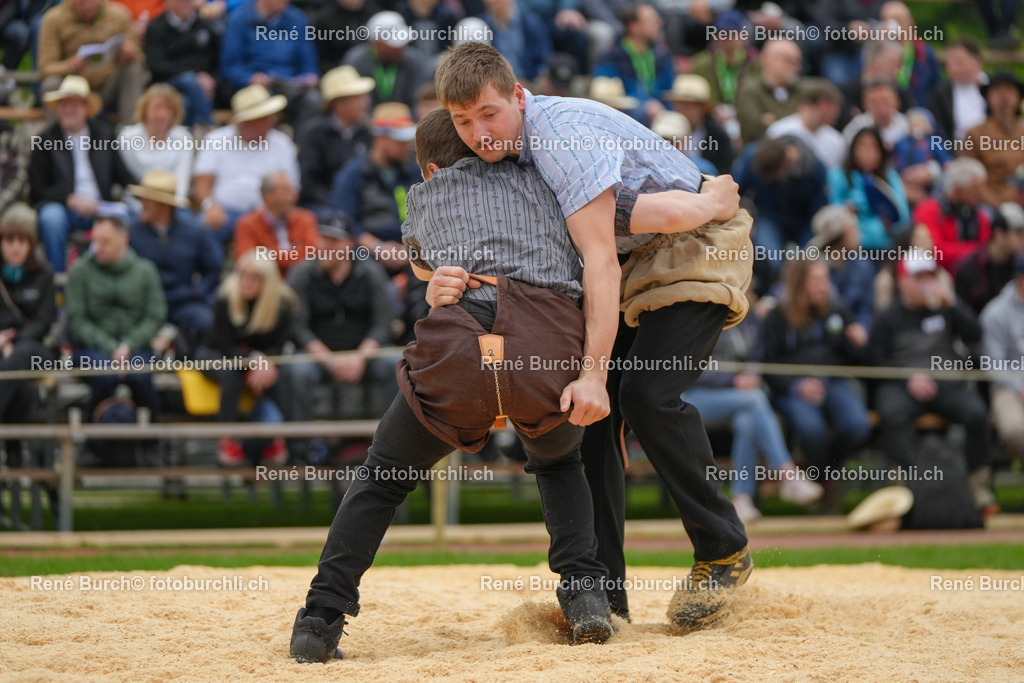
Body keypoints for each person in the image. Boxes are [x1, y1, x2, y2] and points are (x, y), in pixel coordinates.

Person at [428, 42, 752, 629]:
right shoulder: (505, 160)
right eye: (463, 121)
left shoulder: (560, 140)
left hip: (691, 246)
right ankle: (600, 591)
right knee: (587, 416)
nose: (478, 132)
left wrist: (593, 371)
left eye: (489, 113)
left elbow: (613, 252)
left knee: (642, 396)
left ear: (519, 96)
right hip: (637, 248)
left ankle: (722, 551)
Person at [291, 107, 621, 662]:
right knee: (560, 464)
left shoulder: (423, 197)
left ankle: (320, 619)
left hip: (459, 348)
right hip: (543, 346)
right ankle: (586, 596)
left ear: (431, 169)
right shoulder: (549, 178)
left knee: (382, 477)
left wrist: (436, 276)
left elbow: (424, 258)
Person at [869, 251, 996, 515]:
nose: (926, 283)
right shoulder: (889, 317)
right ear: (903, 282)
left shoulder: (947, 308)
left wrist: (954, 305)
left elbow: (976, 333)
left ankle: (978, 486)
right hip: (902, 385)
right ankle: (903, 489)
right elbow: (875, 361)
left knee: (976, 413)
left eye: (930, 276)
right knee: (891, 415)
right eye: (919, 277)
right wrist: (907, 377)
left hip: (945, 383)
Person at [683, 287, 823, 524]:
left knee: (747, 421)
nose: (746, 290)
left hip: (737, 400)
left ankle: (742, 499)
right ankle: (787, 474)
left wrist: (752, 374)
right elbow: (692, 367)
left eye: (748, 286)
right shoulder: (702, 316)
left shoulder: (752, 321)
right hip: (695, 396)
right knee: (755, 399)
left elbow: (758, 359)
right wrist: (734, 380)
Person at [759, 258, 872, 492]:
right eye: (817, 280)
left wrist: (856, 343)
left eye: (826, 279)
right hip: (792, 387)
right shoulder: (778, 315)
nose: (824, 286)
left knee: (857, 425)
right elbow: (766, 365)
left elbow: (853, 359)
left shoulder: (837, 309)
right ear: (800, 283)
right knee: (812, 431)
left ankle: (824, 475)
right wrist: (795, 386)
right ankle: (824, 485)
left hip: (832, 380)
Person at [286, 215, 398, 434]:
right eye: (323, 239)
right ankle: (299, 452)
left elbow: (383, 323)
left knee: (398, 365)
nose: (326, 246)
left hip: (365, 355)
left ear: (349, 244)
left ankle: (391, 443)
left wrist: (360, 357)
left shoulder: (371, 273)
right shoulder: (301, 274)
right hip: (318, 357)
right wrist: (329, 360)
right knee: (296, 372)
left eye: (333, 241)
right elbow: (297, 327)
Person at [201, 250, 300, 466]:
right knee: (232, 373)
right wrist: (254, 360)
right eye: (243, 275)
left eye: (254, 277)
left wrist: (265, 363)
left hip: (264, 362)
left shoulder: (283, 304)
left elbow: (279, 345)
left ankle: (281, 441)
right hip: (218, 355)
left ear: (268, 282)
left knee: (281, 374)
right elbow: (225, 345)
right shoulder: (225, 298)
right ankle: (226, 440)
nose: (246, 282)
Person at [28, 75, 136, 272]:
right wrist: (69, 199)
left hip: (100, 207)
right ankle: (57, 282)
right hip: (63, 207)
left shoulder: (104, 134)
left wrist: (144, 196)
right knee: (51, 219)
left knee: (133, 217)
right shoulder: (45, 139)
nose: (68, 109)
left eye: (74, 104)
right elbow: (38, 188)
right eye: (64, 104)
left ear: (86, 108)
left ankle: (120, 278)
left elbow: (124, 176)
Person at [65, 214, 165, 422]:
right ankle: (91, 438)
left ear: (123, 240)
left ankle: (152, 440)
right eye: (95, 241)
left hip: (136, 346)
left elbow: (155, 316)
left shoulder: (145, 271)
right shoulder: (80, 271)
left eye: (105, 242)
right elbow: (76, 319)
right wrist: (112, 347)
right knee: (105, 375)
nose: (98, 247)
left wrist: (128, 345)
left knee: (140, 376)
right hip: (92, 347)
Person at [192, 84, 300, 243]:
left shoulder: (282, 144)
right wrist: (209, 206)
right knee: (201, 229)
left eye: (270, 116)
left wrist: (273, 212)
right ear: (246, 121)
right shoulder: (216, 140)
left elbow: (292, 188)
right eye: (264, 117)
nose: (272, 121)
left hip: (269, 214)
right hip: (224, 213)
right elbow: (202, 183)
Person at [128, 169, 221, 351]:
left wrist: (197, 292)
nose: (142, 204)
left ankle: (196, 369)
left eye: (148, 200)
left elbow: (213, 268)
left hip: (183, 301)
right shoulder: (132, 233)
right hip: (143, 306)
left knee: (206, 322)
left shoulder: (193, 232)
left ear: (164, 205)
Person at [329, 101, 420, 273]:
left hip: (412, 251)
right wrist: (378, 248)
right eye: (399, 140)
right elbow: (344, 220)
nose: (406, 146)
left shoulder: (415, 172)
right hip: (368, 255)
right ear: (380, 138)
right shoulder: (353, 174)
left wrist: (410, 249)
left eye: (408, 140)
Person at [37, 0, 148, 125]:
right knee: (50, 84)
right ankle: (56, 139)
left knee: (132, 69)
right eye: (82, 3)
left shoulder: (119, 14)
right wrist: (71, 66)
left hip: (108, 87)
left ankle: (133, 133)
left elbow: (139, 57)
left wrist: (129, 53)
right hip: (72, 90)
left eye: (91, 2)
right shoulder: (53, 19)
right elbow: (45, 68)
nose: (87, 6)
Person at [0, 204, 57, 436]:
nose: (15, 247)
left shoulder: (44, 275)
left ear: (31, 245)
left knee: (20, 357)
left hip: (36, 349)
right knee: (21, 386)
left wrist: (13, 339)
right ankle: (15, 453)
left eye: (21, 241)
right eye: (9, 240)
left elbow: (44, 321)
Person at [219, 0, 321, 126]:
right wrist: (250, 78)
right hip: (254, 86)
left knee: (312, 99)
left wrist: (310, 75)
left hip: (290, 85)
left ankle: (300, 144)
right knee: (259, 100)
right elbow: (230, 65)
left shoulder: (297, 18)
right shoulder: (239, 19)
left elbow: (308, 59)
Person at [297, 66, 375, 218]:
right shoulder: (314, 134)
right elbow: (308, 183)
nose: (366, 103)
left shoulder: (367, 133)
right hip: (324, 206)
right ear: (339, 103)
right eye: (359, 98)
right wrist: (339, 204)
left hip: (361, 205)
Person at [827, 126, 910, 251]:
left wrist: (889, 224)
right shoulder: (839, 175)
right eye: (862, 146)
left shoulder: (890, 177)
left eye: (873, 146)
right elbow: (834, 213)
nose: (867, 151)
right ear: (853, 149)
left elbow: (903, 217)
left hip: (887, 247)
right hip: (852, 249)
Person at [592, 2, 674, 126]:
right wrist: (644, 105)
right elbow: (607, 97)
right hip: (625, 120)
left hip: (661, 115)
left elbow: (670, 90)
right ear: (633, 26)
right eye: (651, 20)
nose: (659, 23)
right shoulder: (611, 57)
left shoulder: (661, 54)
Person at [142, 0, 219, 128]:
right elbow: (156, 65)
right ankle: (207, 127)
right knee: (188, 80)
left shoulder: (205, 26)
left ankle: (187, 140)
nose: (186, 3)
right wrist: (195, 76)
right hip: (167, 82)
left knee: (186, 103)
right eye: (181, 1)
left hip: (201, 84)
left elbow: (215, 59)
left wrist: (211, 79)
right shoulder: (156, 27)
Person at [118, 84, 194, 206]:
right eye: (157, 108)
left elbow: (182, 180)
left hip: (171, 206)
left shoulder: (184, 137)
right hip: (135, 204)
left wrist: (174, 208)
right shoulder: (127, 137)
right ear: (145, 109)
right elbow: (127, 181)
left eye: (168, 109)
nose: (162, 114)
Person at [980, 252, 1024, 464]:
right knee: (1015, 431)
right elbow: (994, 364)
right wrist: (1019, 387)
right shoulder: (995, 313)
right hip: (1007, 386)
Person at [911, 157, 991, 272]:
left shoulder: (981, 216)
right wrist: (973, 251)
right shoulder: (928, 210)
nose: (982, 194)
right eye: (976, 189)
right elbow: (935, 251)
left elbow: (986, 252)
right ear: (958, 190)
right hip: (937, 274)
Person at [342, 11, 433, 109]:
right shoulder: (356, 62)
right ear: (376, 43)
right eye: (393, 44)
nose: (400, 48)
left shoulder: (415, 60)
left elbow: (419, 98)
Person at [234, 172, 319, 276]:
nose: (293, 197)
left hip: (300, 282)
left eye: (292, 191)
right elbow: (247, 260)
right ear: (266, 195)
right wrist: (295, 255)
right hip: (264, 284)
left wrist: (267, 255)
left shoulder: (306, 219)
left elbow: (312, 255)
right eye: (285, 191)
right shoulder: (248, 224)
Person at [960, 70, 1024, 207]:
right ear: (988, 97)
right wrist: (996, 204)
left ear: (1018, 96)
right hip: (987, 204)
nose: (1004, 96)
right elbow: (968, 174)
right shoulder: (975, 133)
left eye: (1009, 90)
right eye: (997, 90)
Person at [807, 205, 875, 331]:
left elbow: (867, 307)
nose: (857, 234)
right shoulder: (812, 266)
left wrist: (862, 327)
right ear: (839, 237)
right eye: (852, 230)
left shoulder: (863, 266)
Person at [954, 203, 1024, 315]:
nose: (1022, 238)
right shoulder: (967, 269)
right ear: (999, 234)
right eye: (1018, 233)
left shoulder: (1019, 267)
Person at [734, 39, 804, 144]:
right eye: (788, 60)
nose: (795, 67)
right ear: (768, 59)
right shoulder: (750, 89)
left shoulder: (802, 90)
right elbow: (751, 129)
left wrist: (772, 119)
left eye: (797, 62)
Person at [766, 79, 846, 170]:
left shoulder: (836, 140)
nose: (830, 113)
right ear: (808, 104)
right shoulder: (778, 131)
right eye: (825, 107)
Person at [927, 38, 987, 142]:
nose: (952, 68)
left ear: (976, 62)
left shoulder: (993, 88)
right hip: (958, 150)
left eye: (958, 62)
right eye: (949, 63)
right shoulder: (941, 93)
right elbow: (937, 131)